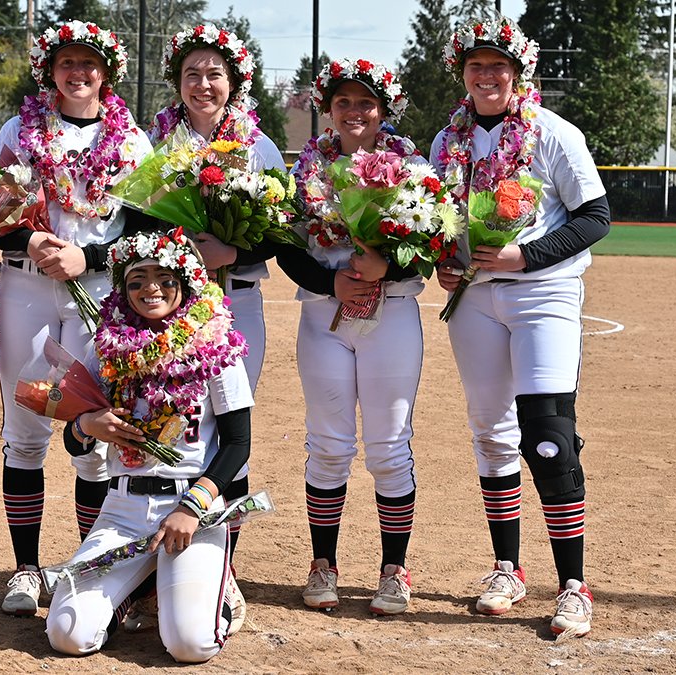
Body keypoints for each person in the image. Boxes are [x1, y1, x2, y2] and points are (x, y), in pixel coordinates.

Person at [432, 17, 610, 638]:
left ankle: (573, 584)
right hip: (475, 301)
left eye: (498, 65)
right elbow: (440, 225)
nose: (487, 75)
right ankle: (507, 566)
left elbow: (595, 217)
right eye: (476, 64)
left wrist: (525, 257)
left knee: (549, 434)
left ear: (519, 72)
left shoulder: (553, 133)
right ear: (462, 72)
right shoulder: (444, 142)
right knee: (491, 432)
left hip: (543, 293)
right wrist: (444, 264)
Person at [0, 20, 154, 617]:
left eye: (89, 63)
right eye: (65, 63)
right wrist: (26, 240)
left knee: (94, 439)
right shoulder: (19, 129)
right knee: (24, 433)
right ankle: (26, 568)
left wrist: (91, 255)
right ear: (48, 71)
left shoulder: (132, 141)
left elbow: (152, 233)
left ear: (108, 72)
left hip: (100, 293)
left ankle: (85, 567)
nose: (78, 73)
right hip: (28, 290)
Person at [124, 21, 286, 633]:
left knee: (228, 426)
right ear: (178, 82)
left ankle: (222, 571)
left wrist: (232, 254)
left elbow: (279, 228)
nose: (203, 83)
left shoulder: (258, 146)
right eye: (191, 73)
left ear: (234, 80)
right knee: (163, 420)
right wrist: (179, 252)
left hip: (236, 301)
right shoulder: (152, 145)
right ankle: (146, 572)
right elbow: (131, 226)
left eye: (214, 73)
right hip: (164, 306)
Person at [44, 228, 252, 662]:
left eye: (164, 277)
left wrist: (192, 508)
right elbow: (74, 444)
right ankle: (139, 586)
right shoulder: (109, 349)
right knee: (67, 634)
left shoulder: (215, 342)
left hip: (191, 512)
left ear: (186, 280)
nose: (150, 289)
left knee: (191, 645)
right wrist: (86, 424)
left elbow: (238, 443)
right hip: (123, 510)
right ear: (122, 288)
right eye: (136, 280)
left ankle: (220, 585)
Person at [280, 58, 423, 616]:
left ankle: (393, 570)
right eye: (343, 102)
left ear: (383, 109)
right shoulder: (306, 168)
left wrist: (387, 269)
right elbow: (286, 246)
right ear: (328, 109)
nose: (354, 111)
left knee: (389, 448)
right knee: (328, 445)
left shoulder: (411, 166)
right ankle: (323, 564)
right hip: (323, 315)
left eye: (365, 102)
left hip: (391, 313)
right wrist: (331, 281)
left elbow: (426, 252)